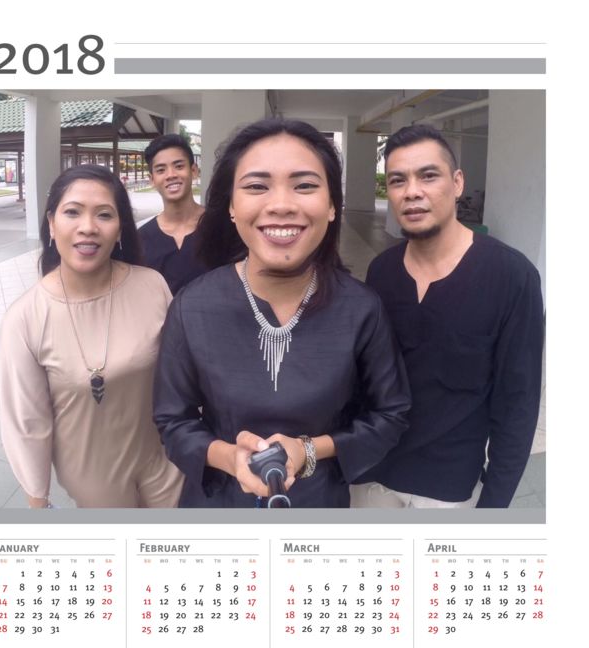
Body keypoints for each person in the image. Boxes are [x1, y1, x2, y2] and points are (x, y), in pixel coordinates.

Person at [152, 118, 411, 508]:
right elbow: (173, 421)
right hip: (220, 503)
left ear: (331, 207)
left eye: (304, 185)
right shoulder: (192, 306)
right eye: (257, 186)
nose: (281, 205)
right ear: (232, 207)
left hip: (319, 502)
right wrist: (230, 458)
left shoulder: (360, 308)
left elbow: (390, 414)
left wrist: (309, 450)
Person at [351, 124, 544, 509]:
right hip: (372, 477)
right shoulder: (382, 271)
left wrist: (495, 504)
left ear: (457, 183)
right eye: (398, 180)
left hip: (448, 489)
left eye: (428, 175)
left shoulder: (511, 276)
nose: (412, 191)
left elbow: (517, 404)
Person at [0, 164, 183, 508]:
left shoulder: (152, 286)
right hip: (92, 477)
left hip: (165, 462)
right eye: (72, 212)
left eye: (104, 214)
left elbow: (181, 375)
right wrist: (37, 501)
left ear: (120, 229)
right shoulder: (24, 319)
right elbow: (28, 424)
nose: (88, 227)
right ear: (51, 224)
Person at [138, 133, 207, 295]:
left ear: (194, 171)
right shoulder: (140, 239)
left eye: (179, 166)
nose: (171, 175)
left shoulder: (221, 227)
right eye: (161, 170)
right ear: (152, 179)